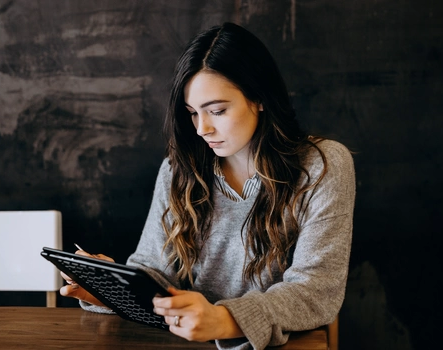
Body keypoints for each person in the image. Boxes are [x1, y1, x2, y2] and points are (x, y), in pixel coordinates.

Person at [60, 22, 355, 350]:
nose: (203, 129)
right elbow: (156, 275)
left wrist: (224, 319)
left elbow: (315, 291)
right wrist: (111, 290)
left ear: (259, 98)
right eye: (192, 114)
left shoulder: (322, 166)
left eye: (217, 111)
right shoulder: (178, 170)